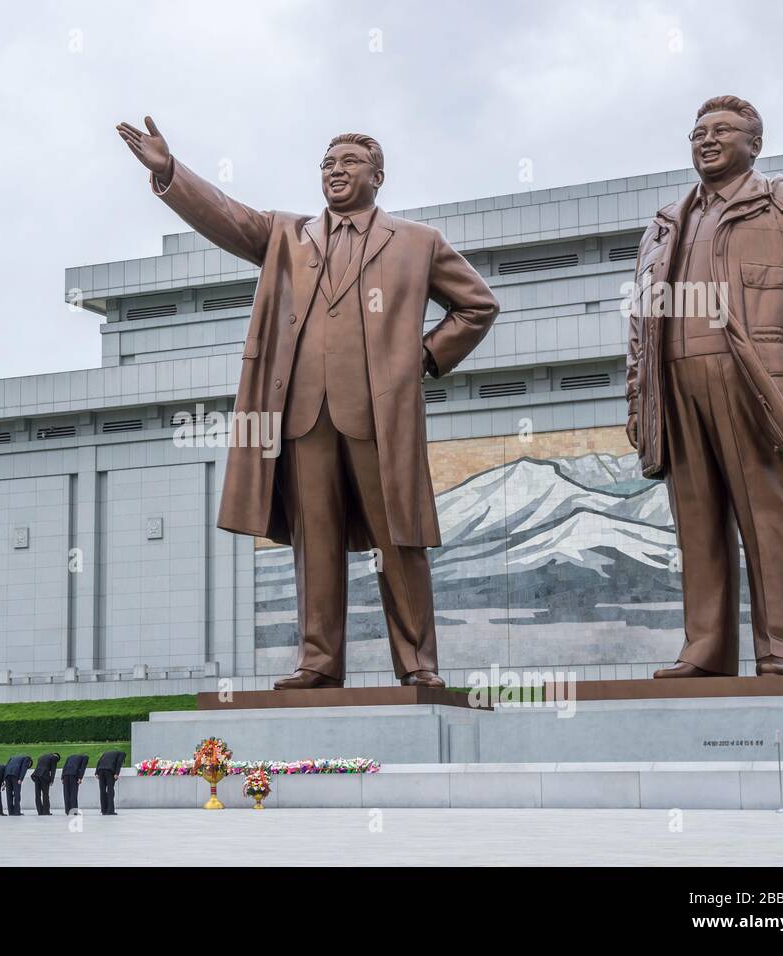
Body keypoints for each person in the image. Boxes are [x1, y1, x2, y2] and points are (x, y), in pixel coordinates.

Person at [118, 117, 498, 690]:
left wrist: (419, 359)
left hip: (378, 416)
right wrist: (171, 172)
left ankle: (418, 664)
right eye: (327, 163)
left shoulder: (418, 243)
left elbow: (478, 305)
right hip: (301, 416)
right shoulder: (286, 236)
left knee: (400, 538)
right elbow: (226, 216)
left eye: (348, 162)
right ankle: (318, 662)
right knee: (313, 542)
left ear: (378, 176)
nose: (335, 170)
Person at [626, 95, 783, 679]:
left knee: (769, 519)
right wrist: (639, 392)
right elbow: (643, 315)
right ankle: (705, 651)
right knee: (697, 524)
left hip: (753, 379)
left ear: (753, 144)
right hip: (675, 383)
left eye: (721, 130)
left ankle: (781, 651)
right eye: (697, 133)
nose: (706, 140)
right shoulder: (666, 222)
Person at [95, 750, 125, 816]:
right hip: (109, 771)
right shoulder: (122, 753)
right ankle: (110, 811)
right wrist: (117, 773)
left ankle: (103, 810)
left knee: (102, 791)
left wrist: (96, 772)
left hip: (101, 770)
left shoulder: (105, 753)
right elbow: (119, 763)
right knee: (110, 790)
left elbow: (99, 761)